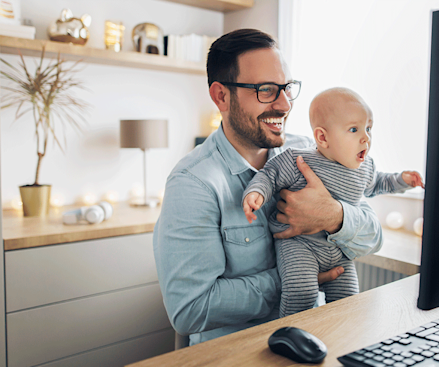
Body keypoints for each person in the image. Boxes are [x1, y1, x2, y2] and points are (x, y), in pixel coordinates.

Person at [153, 29, 384, 346]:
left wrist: (333, 216)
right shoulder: (193, 184)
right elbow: (190, 310)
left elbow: (374, 238)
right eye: (265, 90)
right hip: (236, 355)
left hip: (312, 342)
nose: (285, 105)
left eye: (287, 88)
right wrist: (294, 279)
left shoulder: (310, 155)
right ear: (221, 96)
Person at [242, 87, 424, 317]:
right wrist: (256, 192)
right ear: (322, 137)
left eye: (369, 128)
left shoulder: (364, 167)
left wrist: (402, 180)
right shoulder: (299, 159)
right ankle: (291, 336)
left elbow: (378, 184)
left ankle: (341, 344)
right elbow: (270, 175)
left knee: (349, 301)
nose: (366, 137)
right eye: (354, 129)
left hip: (339, 249)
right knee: (302, 293)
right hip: (300, 245)